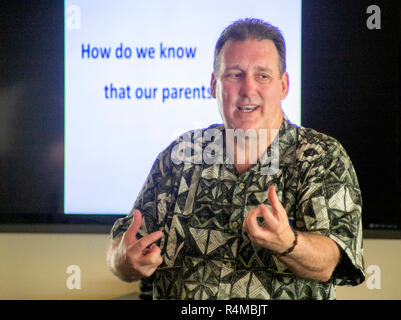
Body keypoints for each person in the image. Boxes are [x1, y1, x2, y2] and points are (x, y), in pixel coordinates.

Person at [107, 18, 365, 300]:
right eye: (234, 74)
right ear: (213, 85)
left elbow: (329, 262)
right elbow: (122, 251)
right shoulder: (181, 154)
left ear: (283, 85)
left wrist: (288, 243)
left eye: (262, 76)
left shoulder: (321, 157)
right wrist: (125, 262)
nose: (247, 89)